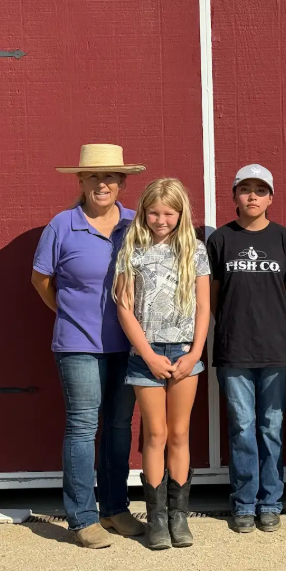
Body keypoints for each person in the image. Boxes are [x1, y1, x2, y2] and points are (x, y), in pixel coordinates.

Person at [31, 144, 146, 548]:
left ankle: (115, 508)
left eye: (110, 176)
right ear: (80, 180)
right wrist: (69, 311)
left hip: (128, 344)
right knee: (83, 427)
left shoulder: (135, 224)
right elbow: (41, 280)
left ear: (122, 182)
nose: (102, 184)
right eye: (94, 176)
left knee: (119, 425)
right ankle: (82, 517)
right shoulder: (62, 225)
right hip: (78, 343)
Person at [113, 178, 210, 549]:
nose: (160, 220)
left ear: (181, 213)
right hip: (146, 355)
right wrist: (148, 355)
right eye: (153, 213)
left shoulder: (195, 250)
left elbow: (204, 306)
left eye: (169, 213)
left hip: (185, 352)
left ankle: (178, 516)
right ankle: (155, 518)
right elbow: (125, 308)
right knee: (155, 434)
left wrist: (195, 353)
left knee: (179, 433)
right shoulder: (132, 249)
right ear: (143, 212)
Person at [207, 164, 286, 533]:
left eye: (260, 190)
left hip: (275, 350)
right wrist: (234, 321)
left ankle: (271, 502)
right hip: (234, 349)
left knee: (270, 428)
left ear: (270, 198)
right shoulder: (220, 240)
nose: (252, 196)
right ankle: (244, 502)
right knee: (242, 428)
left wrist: (273, 320)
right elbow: (212, 294)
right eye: (245, 189)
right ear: (234, 195)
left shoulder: (283, 238)